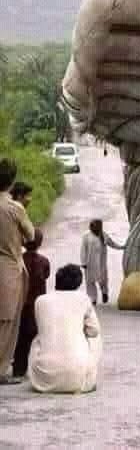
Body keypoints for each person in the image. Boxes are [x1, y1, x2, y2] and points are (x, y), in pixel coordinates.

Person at [28, 264, 102, 394]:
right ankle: (87, 376)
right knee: (96, 338)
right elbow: (94, 331)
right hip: (77, 379)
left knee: (39, 338)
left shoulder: (40, 300)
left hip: (44, 379)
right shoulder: (83, 299)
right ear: (78, 284)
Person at [0, 159, 35, 385]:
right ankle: (1, 369)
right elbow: (30, 235)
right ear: (12, 182)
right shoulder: (14, 208)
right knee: (7, 321)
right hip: (8, 268)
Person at [13, 227, 50, 377]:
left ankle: (18, 369)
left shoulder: (18, 260)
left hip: (21, 303)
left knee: (21, 337)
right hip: (38, 304)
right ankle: (39, 369)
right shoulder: (44, 261)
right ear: (40, 243)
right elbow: (46, 275)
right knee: (38, 337)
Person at [80, 219, 124, 305]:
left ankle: (104, 293)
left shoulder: (103, 235)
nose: (94, 227)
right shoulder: (86, 236)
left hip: (101, 263)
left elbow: (112, 244)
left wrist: (122, 247)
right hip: (90, 263)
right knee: (90, 282)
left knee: (103, 280)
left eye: (98, 226)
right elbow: (83, 250)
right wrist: (83, 262)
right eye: (93, 226)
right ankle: (93, 298)